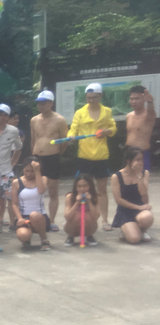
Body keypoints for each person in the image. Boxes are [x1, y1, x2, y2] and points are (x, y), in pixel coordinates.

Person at [68, 83, 116, 229]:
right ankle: (79, 218)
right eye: (88, 98)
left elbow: (113, 128)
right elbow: (73, 129)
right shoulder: (80, 112)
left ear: (100, 96)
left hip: (101, 156)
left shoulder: (107, 111)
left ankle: (105, 220)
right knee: (81, 190)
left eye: (94, 97)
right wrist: (71, 137)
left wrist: (106, 132)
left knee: (102, 190)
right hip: (84, 156)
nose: (90, 100)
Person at [30, 90, 68, 232]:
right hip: (37, 157)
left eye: (44, 103)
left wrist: (57, 153)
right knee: (34, 189)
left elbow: (64, 141)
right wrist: (32, 156)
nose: (41, 106)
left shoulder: (59, 120)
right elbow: (33, 139)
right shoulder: (34, 120)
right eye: (39, 103)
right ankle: (34, 219)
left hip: (52, 157)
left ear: (51, 103)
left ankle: (52, 220)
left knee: (52, 190)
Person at [111, 146, 153, 244]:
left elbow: (144, 197)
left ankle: (142, 230)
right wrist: (137, 207)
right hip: (125, 210)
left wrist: (138, 176)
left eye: (141, 159)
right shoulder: (116, 176)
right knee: (134, 239)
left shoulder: (145, 173)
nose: (140, 162)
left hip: (140, 209)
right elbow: (118, 200)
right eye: (137, 160)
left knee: (147, 217)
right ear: (128, 161)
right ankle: (127, 229)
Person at [12, 159, 50, 250]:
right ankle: (26, 239)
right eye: (26, 171)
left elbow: (41, 191)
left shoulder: (43, 179)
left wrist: (37, 171)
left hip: (40, 217)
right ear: (23, 170)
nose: (29, 174)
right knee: (23, 235)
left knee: (34, 215)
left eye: (32, 171)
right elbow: (14, 204)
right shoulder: (16, 182)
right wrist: (20, 218)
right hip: (25, 217)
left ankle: (44, 239)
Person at [63, 174, 100, 247]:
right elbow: (67, 217)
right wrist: (77, 202)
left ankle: (89, 235)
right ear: (76, 187)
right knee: (77, 216)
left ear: (90, 186)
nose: (82, 189)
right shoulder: (70, 197)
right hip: (72, 225)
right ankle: (71, 236)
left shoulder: (95, 197)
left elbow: (95, 217)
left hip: (89, 225)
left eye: (85, 186)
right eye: (79, 186)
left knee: (88, 216)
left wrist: (89, 201)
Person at [125, 85, 156, 172]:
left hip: (142, 153)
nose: (134, 101)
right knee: (127, 178)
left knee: (142, 178)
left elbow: (151, 112)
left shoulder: (148, 116)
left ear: (143, 99)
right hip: (128, 152)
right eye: (131, 99)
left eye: (137, 98)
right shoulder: (129, 116)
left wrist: (150, 102)